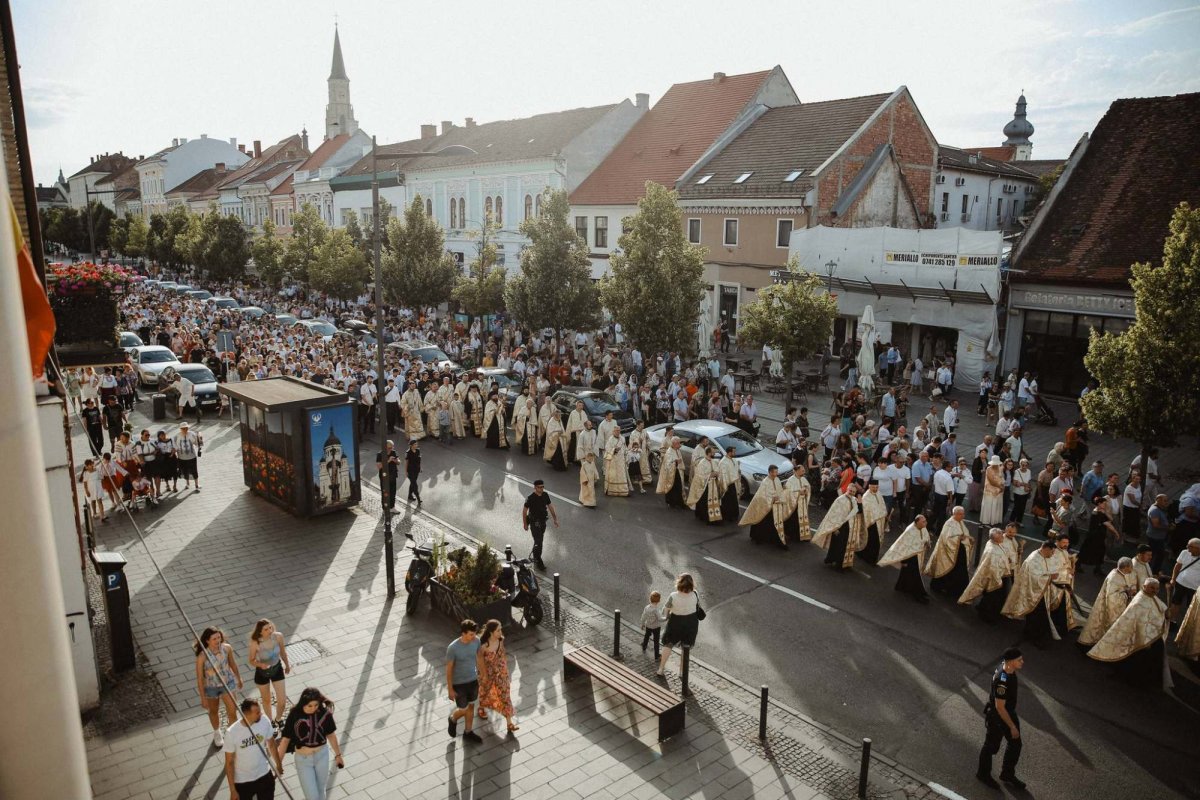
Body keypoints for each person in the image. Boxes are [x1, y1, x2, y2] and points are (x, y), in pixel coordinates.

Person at [1087, 578, 1168, 685]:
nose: (1155, 591)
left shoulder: (1152, 597)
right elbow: (1138, 622)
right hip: (1139, 637)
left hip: (1152, 635)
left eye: (1157, 589)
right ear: (1144, 587)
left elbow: (1161, 609)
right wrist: (1144, 639)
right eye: (1152, 588)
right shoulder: (1139, 602)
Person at [278, 687, 343, 800]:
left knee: (321, 791)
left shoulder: (324, 714)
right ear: (303, 703)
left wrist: (338, 755)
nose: (313, 708)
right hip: (303, 760)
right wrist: (279, 763)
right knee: (312, 796)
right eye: (310, 706)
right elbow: (285, 740)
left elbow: (331, 735)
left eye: (316, 705)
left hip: (322, 755)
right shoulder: (294, 714)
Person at [976, 647, 1026, 790]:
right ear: (1010, 662)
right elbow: (1000, 707)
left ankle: (1007, 774)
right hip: (999, 716)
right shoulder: (1002, 681)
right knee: (991, 746)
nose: (1022, 662)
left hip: (1007, 712)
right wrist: (1012, 726)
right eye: (1019, 660)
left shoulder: (1008, 669)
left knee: (1015, 744)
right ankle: (983, 774)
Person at [1003, 541, 1069, 648]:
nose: (1053, 554)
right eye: (1052, 552)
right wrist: (1050, 577)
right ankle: (1036, 638)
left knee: (1037, 616)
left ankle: (1030, 633)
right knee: (1038, 616)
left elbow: (1045, 570)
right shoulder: (1034, 559)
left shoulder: (1044, 556)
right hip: (1032, 593)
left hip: (1040, 592)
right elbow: (1034, 577)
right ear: (1046, 549)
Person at [223, 698, 281, 800]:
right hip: (243, 780)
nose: (261, 714)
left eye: (260, 711)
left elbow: (271, 744)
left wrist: (278, 765)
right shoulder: (232, 732)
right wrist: (233, 790)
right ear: (246, 714)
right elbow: (229, 762)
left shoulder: (264, 721)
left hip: (264, 773)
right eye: (257, 712)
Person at [195, 627, 243, 748]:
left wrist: (238, 677)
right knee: (213, 711)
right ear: (207, 641)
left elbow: (232, 664)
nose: (218, 640)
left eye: (219, 637)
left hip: (228, 684)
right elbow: (200, 679)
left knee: (232, 710)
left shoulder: (227, 648)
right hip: (211, 687)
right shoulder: (202, 656)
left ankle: (232, 734)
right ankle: (217, 732)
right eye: (214, 639)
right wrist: (203, 698)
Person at [1078, 558, 1139, 647]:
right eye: (1131, 567)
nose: (1132, 569)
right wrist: (1127, 593)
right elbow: (1112, 598)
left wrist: (1126, 590)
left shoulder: (1118, 574)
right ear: (1126, 567)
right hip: (1109, 608)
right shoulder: (1115, 578)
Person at [960, 528, 1011, 622]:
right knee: (993, 598)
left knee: (989, 595)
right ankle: (987, 615)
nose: (1003, 537)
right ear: (995, 539)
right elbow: (994, 568)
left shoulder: (990, 542)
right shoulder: (994, 552)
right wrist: (998, 581)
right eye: (1000, 536)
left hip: (993, 575)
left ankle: (982, 608)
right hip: (995, 578)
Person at [476, 620, 518, 732]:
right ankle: (481, 707)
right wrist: (484, 675)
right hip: (487, 673)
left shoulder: (500, 640)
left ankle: (509, 723)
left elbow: (502, 654)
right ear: (491, 632)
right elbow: (480, 661)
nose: (501, 632)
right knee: (485, 691)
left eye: (500, 629)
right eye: (498, 630)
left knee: (505, 695)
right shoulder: (483, 646)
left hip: (501, 673)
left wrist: (505, 670)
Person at [878, 515, 931, 602]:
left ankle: (902, 587)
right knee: (915, 575)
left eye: (925, 521)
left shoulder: (923, 528)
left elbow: (926, 538)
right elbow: (904, 545)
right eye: (923, 521)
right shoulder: (910, 531)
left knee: (907, 574)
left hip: (917, 556)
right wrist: (904, 561)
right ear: (917, 522)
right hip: (909, 557)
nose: (926, 523)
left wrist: (927, 543)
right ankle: (917, 594)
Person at [813, 483, 866, 570]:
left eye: (853, 492)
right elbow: (833, 514)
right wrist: (835, 528)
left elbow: (859, 512)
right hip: (839, 527)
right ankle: (834, 562)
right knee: (837, 546)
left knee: (843, 546)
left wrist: (860, 503)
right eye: (850, 491)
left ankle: (839, 563)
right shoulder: (840, 500)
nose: (851, 493)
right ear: (847, 490)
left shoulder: (854, 500)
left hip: (849, 527)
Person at [446, 620, 484, 743]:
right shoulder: (453, 648)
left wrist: (483, 674)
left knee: (471, 706)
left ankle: (468, 732)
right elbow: (449, 669)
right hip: (459, 684)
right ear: (463, 633)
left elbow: (479, 657)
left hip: (473, 680)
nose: (474, 636)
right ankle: (453, 718)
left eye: (475, 634)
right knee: (463, 709)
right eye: (471, 634)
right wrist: (450, 689)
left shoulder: (476, 641)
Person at [248, 619, 291, 726]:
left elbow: (283, 652)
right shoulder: (255, 642)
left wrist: (287, 665)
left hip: (277, 669)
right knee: (266, 700)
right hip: (262, 673)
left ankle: (278, 719)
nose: (270, 630)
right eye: (266, 629)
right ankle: (270, 722)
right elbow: (251, 660)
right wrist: (260, 665)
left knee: (282, 701)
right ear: (260, 632)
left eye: (270, 627)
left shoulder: (278, 636)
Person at [657, 573, 701, 677]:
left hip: (676, 621)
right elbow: (697, 605)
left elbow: (666, 610)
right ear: (691, 584)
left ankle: (661, 669)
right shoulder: (695, 594)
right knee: (685, 648)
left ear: (679, 582)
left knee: (668, 644)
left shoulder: (673, 596)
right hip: (691, 622)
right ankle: (682, 672)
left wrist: (667, 616)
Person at [927, 507, 973, 597]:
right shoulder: (949, 524)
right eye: (961, 514)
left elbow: (965, 533)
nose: (963, 516)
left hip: (959, 552)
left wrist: (969, 538)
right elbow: (946, 539)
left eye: (963, 514)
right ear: (954, 514)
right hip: (949, 553)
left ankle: (955, 590)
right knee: (948, 571)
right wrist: (959, 538)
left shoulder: (960, 522)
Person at [739, 465, 788, 549]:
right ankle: (759, 537)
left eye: (777, 472)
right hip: (765, 506)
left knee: (771, 523)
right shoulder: (765, 482)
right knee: (762, 521)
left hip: (774, 506)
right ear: (770, 472)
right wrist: (772, 499)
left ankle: (771, 538)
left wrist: (780, 496)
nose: (776, 474)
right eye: (775, 472)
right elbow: (763, 495)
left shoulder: (777, 479)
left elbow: (779, 490)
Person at [522, 480, 559, 570]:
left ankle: (535, 554)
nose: (541, 489)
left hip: (543, 522)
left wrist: (555, 519)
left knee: (539, 541)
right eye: (539, 487)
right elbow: (524, 511)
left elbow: (550, 507)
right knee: (538, 542)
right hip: (534, 523)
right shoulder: (530, 498)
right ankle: (538, 561)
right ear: (535, 487)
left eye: (542, 487)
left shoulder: (545, 495)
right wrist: (525, 524)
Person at [687, 447, 723, 524]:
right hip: (705, 486)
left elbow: (717, 470)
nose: (714, 453)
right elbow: (699, 476)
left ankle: (713, 517)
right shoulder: (702, 463)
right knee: (703, 501)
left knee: (713, 501)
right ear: (709, 453)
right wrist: (710, 475)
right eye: (713, 452)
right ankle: (704, 516)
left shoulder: (713, 461)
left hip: (713, 485)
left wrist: (717, 474)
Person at [1168, 538, 1200, 623]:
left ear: (1198, 548)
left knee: (1192, 607)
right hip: (1180, 583)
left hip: (1195, 588)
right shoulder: (1184, 552)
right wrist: (1173, 579)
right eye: (1188, 546)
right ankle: (1171, 621)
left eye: (1190, 547)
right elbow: (1177, 566)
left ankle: (1187, 625)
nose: (1187, 548)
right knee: (1175, 603)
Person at [782, 461, 812, 542]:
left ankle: (803, 535)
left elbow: (808, 487)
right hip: (794, 505)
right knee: (793, 520)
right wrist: (799, 492)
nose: (804, 472)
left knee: (802, 519)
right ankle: (793, 536)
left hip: (802, 504)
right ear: (797, 471)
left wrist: (806, 490)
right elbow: (787, 492)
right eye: (802, 470)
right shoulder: (790, 480)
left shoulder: (803, 478)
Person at [656, 438, 687, 509]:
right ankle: (671, 502)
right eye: (678, 443)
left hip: (678, 471)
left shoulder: (677, 450)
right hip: (671, 473)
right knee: (672, 488)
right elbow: (667, 464)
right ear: (674, 444)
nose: (680, 445)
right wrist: (675, 462)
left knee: (679, 487)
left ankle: (679, 502)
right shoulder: (669, 452)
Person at [174, 421, 202, 491]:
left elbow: (197, 443)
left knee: (194, 470)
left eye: (186, 428)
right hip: (181, 457)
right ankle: (187, 483)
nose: (185, 430)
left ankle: (196, 485)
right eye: (183, 428)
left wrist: (199, 442)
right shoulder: (177, 436)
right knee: (185, 470)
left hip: (192, 456)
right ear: (181, 429)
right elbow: (175, 446)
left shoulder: (192, 434)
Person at [602, 428, 630, 496]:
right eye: (616, 431)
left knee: (622, 476)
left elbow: (625, 448)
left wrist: (626, 455)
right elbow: (607, 448)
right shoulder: (610, 439)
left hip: (621, 461)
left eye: (619, 431)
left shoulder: (622, 438)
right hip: (613, 461)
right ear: (613, 432)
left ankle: (624, 491)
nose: (618, 432)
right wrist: (614, 450)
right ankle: (612, 491)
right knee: (613, 476)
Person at [980, 455, 1005, 526]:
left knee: (996, 505)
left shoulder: (1000, 468)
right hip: (990, 490)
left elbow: (1002, 478)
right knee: (989, 505)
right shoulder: (988, 469)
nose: (995, 465)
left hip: (998, 491)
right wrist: (1000, 487)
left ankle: (994, 520)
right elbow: (991, 481)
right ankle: (987, 520)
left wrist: (1002, 486)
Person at [375, 440, 399, 511]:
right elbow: (379, 466)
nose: (391, 449)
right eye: (389, 448)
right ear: (385, 447)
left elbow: (399, 462)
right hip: (384, 477)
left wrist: (396, 461)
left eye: (392, 447)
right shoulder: (380, 454)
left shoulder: (393, 452)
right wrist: (388, 460)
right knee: (385, 493)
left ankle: (392, 507)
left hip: (393, 475)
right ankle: (385, 508)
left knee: (393, 492)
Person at [641, 591, 664, 659]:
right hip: (656, 627)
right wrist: (666, 618)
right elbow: (660, 619)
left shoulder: (647, 607)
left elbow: (643, 616)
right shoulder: (656, 610)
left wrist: (642, 623)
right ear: (659, 600)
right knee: (656, 641)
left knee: (647, 636)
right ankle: (656, 655)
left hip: (648, 625)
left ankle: (644, 646)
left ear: (650, 599)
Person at [404, 439, 422, 504]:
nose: (416, 445)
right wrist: (406, 472)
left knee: (412, 483)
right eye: (415, 444)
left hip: (416, 470)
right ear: (411, 445)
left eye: (416, 444)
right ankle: (418, 498)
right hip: (410, 471)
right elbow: (406, 463)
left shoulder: (418, 451)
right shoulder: (408, 453)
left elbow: (419, 460)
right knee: (414, 484)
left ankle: (410, 496)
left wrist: (420, 468)